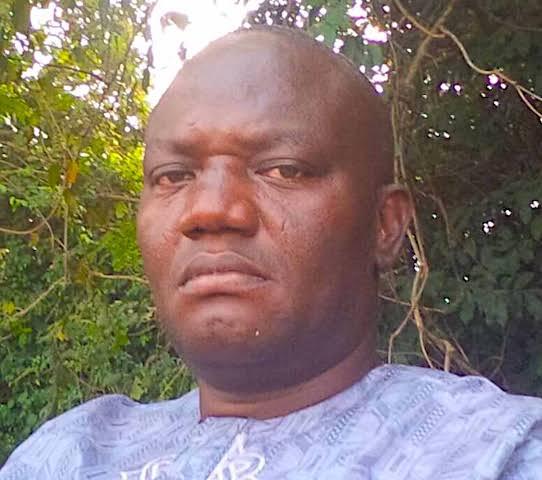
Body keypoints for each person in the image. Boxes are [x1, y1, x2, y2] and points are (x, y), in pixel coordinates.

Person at [1, 26, 541, 480]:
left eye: (284, 169)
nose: (209, 209)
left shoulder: (494, 452)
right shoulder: (70, 453)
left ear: (384, 225)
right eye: (173, 176)